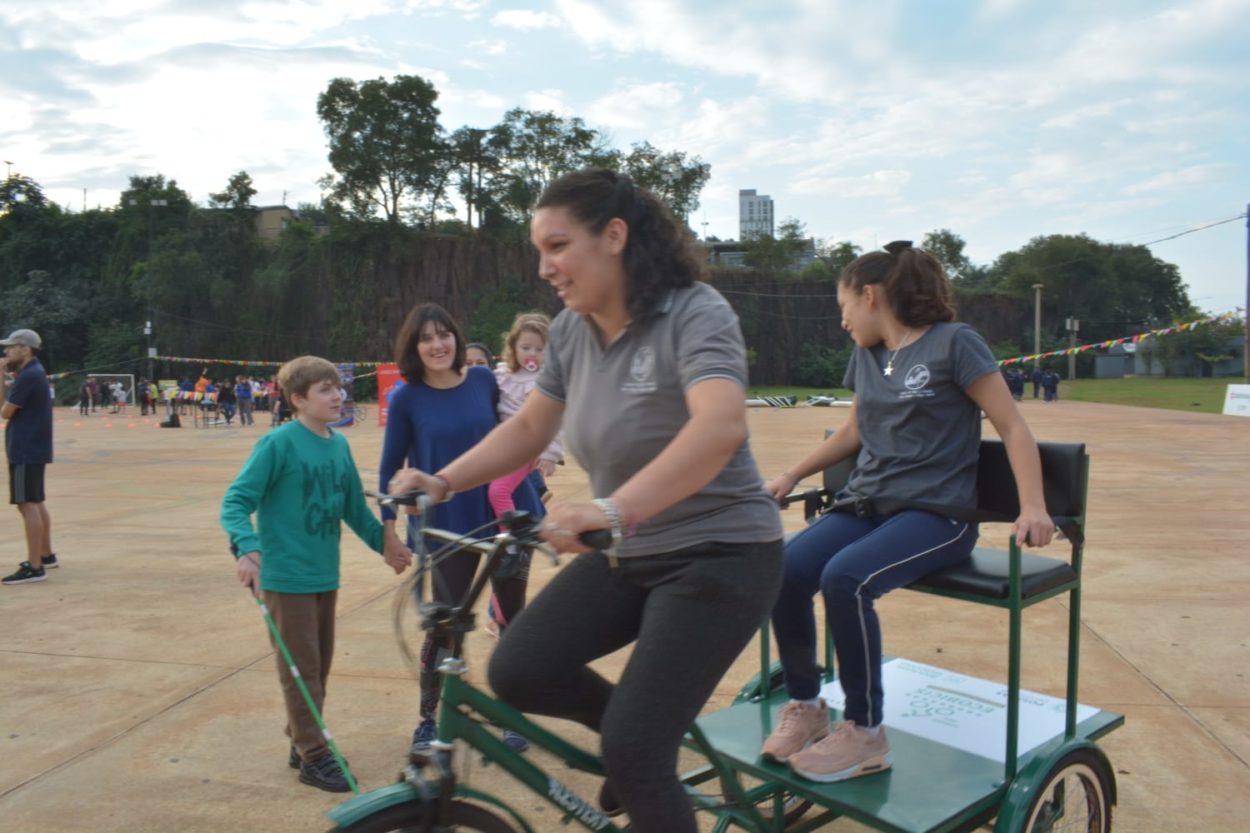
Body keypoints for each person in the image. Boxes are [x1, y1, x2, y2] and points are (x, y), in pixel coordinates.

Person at [390, 169, 784, 833]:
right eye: (539, 251)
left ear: (615, 237)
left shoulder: (694, 311)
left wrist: (611, 509)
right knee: (519, 668)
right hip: (631, 547)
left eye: (557, 246)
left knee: (634, 743)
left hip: (723, 554)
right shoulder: (572, 330)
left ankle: (639, 759)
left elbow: (718, 426)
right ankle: (641, 758)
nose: (544, 267)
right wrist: (443, 480)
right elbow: (529, 427)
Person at [758, 242, 1054, 784]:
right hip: (869, 503)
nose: (842, 318)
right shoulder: (867, 354)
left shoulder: (955, 344)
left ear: (871, 296)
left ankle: (866, 733)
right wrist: (790, 475)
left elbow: (1012, 425)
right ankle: (806, 706)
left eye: (844, 304)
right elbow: (853, 431)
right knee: (783, 571)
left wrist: (1033, 505)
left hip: (937, 515)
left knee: (845, 579)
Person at [220, 356, 413, 792]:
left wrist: (387, 545)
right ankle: (314, 753)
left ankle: (300, 738)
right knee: (300, 668)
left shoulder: (337, 445)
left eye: (338, 387)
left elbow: (351, 508)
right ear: (298, 399)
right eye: (326, 390)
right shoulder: (279, 444)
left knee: (318, 666)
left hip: (325, 573)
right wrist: (247, 549)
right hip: (285, 576)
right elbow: (236, 501)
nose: (338, 396)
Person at [379, 303, 547, 755]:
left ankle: (514, 714)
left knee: (513, 620)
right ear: (414, 347)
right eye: (426, 338)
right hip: (447, 525)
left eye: (444, 335)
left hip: (505, 515)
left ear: (456, 337)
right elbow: (389, 467)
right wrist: (389, 528)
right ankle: (429, 717)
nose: (438, 345)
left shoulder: (484, 381)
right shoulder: (405, 398)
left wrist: (540, 470)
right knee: (445, 623)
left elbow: (522, 422)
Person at [2, 330, 60, 585]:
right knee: (36, 501)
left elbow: (5, 412)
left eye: (11, 347)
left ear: (26, 349)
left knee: (27, 504)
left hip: (25, 448)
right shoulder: (34, 372)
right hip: (33, 447)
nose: (6, 352)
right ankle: (45, 555)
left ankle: (35, 566)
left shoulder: (28, 376)